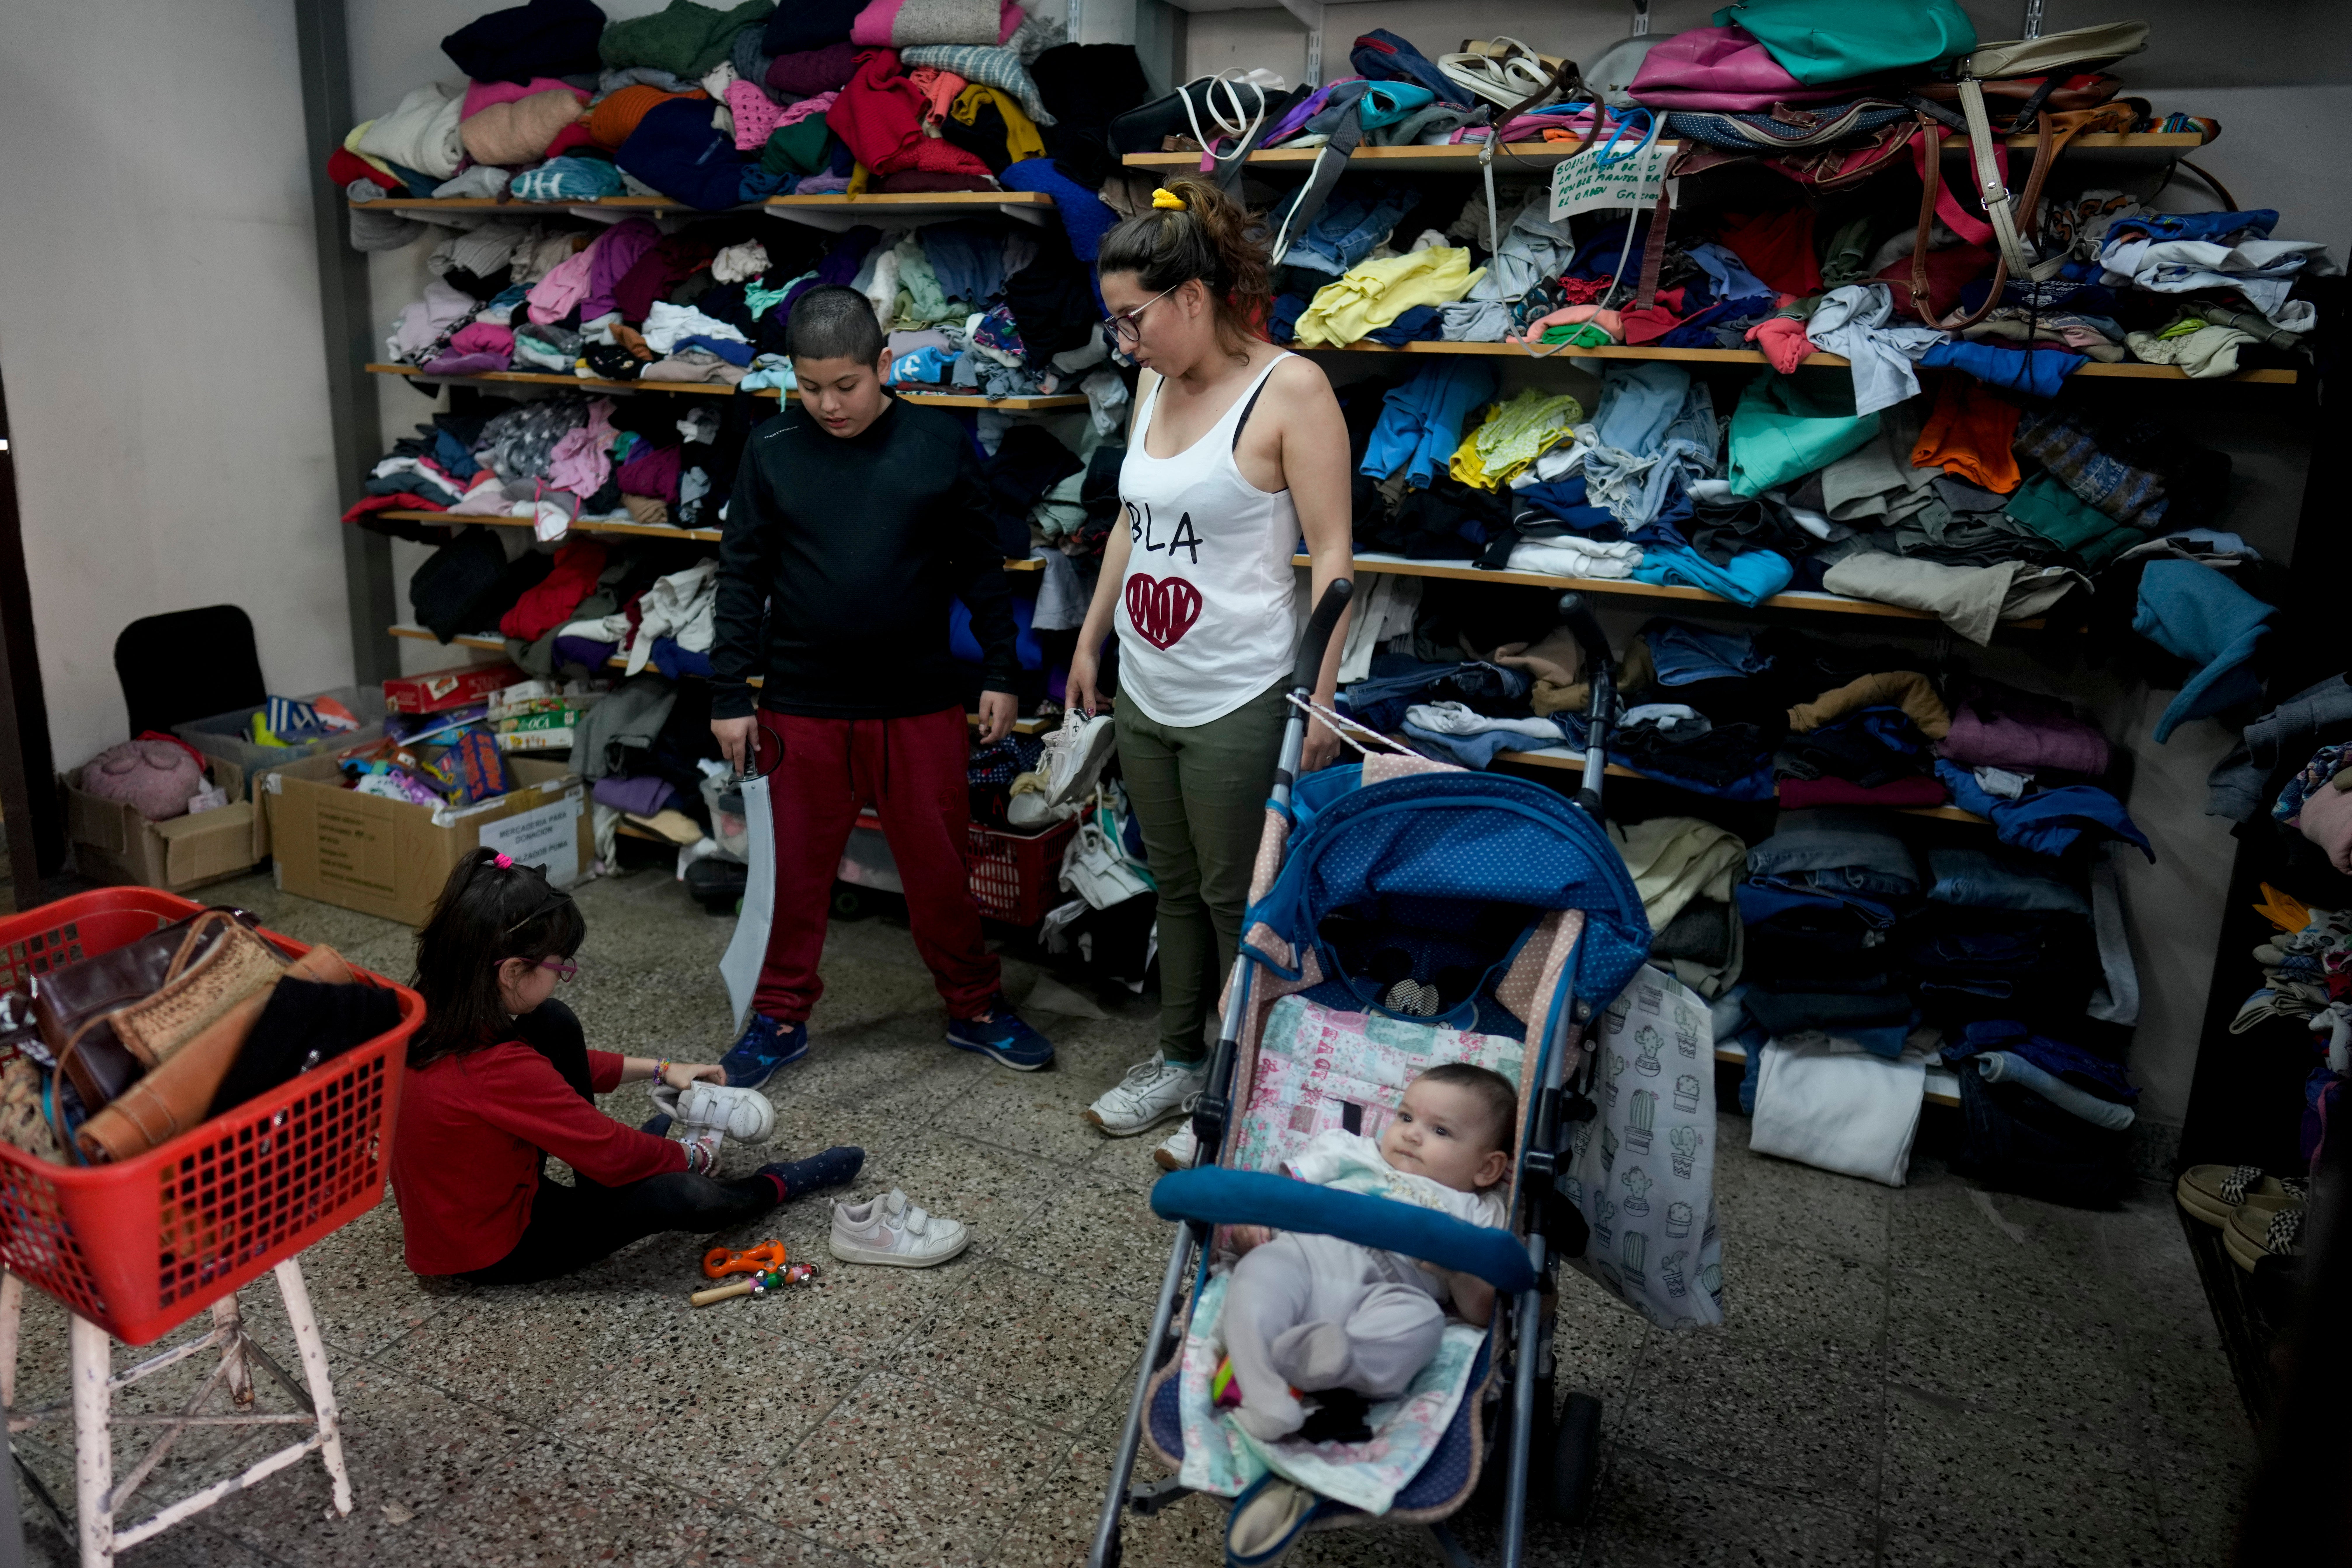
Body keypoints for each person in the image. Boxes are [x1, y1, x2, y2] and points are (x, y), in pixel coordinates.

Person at [1069, 175, 1354, 1157]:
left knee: (1242, 900)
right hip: (1150, 685)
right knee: (1175, 886)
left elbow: (1332, 565)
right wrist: (1090, 637)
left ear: (1191, 298)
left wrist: (1318, 705)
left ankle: (1243, 1089)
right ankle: (1181, 1060)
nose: (1124, 342)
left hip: (1241, 691)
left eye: (1132, 319)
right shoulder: (1154, 382)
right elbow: (1130, 521)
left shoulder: (1292, 391)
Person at [708, 284, 1055, 1085]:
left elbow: (980, 564)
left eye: (847, 385)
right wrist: (731, 692)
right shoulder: (771, 449)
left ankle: (973, 1004)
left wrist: (1000, 669)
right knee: (793, 874)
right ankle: (779, 1016)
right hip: (802, 702)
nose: (828, 405)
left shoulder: (937, 442)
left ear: (884, 364)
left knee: (941, 870)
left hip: (919, 701)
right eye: (810, 386)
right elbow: (741, 576)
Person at [389, 849, 863, 1284]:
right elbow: (608, 1151)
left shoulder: (428, 1017)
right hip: (495, 1251)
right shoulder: (496, 1068)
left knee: (552, 1022)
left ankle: (635, 1161)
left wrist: (662, 1070)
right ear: (513, 971)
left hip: (468, 1214)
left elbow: (536, 1077)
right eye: (561, 967)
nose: (563, 975)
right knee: (682, 1195)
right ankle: (781, 1182)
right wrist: (694, 1157)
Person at [1218, 1064, 1517, 1442]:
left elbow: (1483, 1314)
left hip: (1396, 1288)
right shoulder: (1352, 1153)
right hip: (1311, 1252)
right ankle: (1264, 1397)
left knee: (1423, 1324)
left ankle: (1336, 1361)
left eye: (1439, 1131)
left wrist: (1458, 1272)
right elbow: (1281, 1194)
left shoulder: (1481, 1213)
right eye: (1405, 1116)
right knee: (1260, 1272)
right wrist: (1254, 1223)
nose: (1411, 1134)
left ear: (1487, 1167)